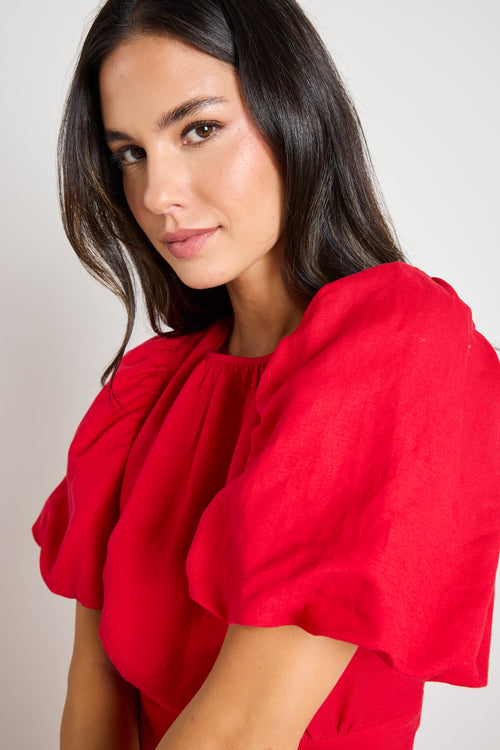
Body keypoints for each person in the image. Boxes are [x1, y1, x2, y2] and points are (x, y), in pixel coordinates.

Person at [32, 1, 500, 749]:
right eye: (130, 153)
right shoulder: (145, 394)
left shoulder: (401, 350)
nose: (157, 194)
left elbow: (241, 734)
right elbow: (93, 700)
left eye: (199, 129)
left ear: (295, 111)